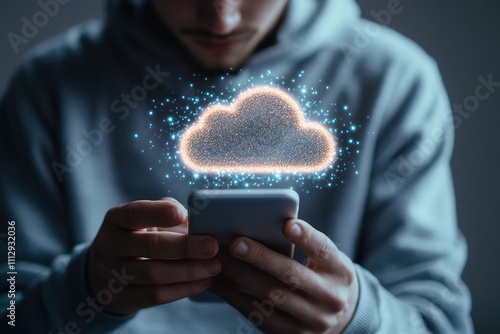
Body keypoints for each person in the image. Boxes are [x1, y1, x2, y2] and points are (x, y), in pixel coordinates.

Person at [0, 0, 473, 333]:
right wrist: (85, 290)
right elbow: (10, 316)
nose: (221, 17)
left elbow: (440, 322)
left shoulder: (395, 81)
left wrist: (358, 318)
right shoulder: (44, 88)